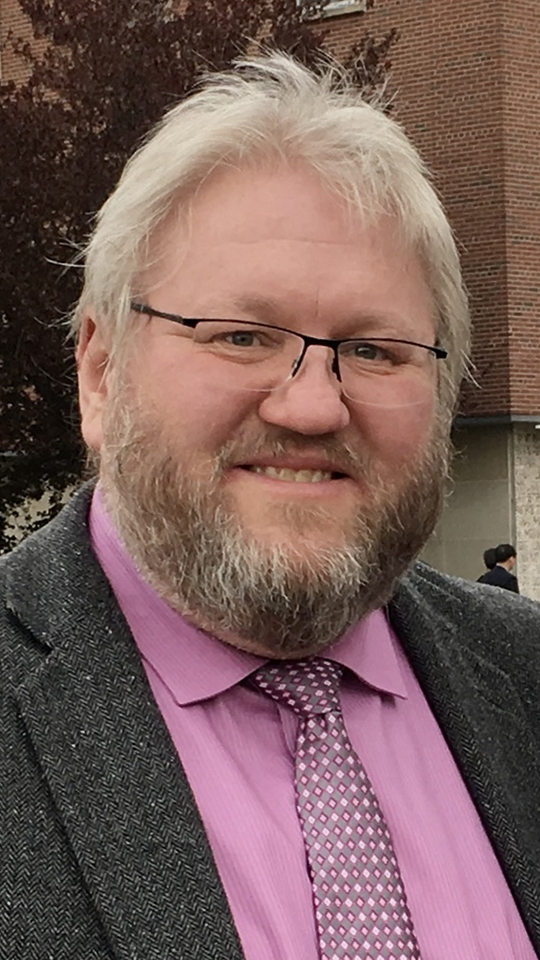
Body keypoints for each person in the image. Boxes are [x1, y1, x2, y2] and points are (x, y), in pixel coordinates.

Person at [3, 53, 540, 960]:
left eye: (376, 351)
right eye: (243, 336)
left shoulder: (524, 674)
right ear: (100, 371)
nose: (312, 406)